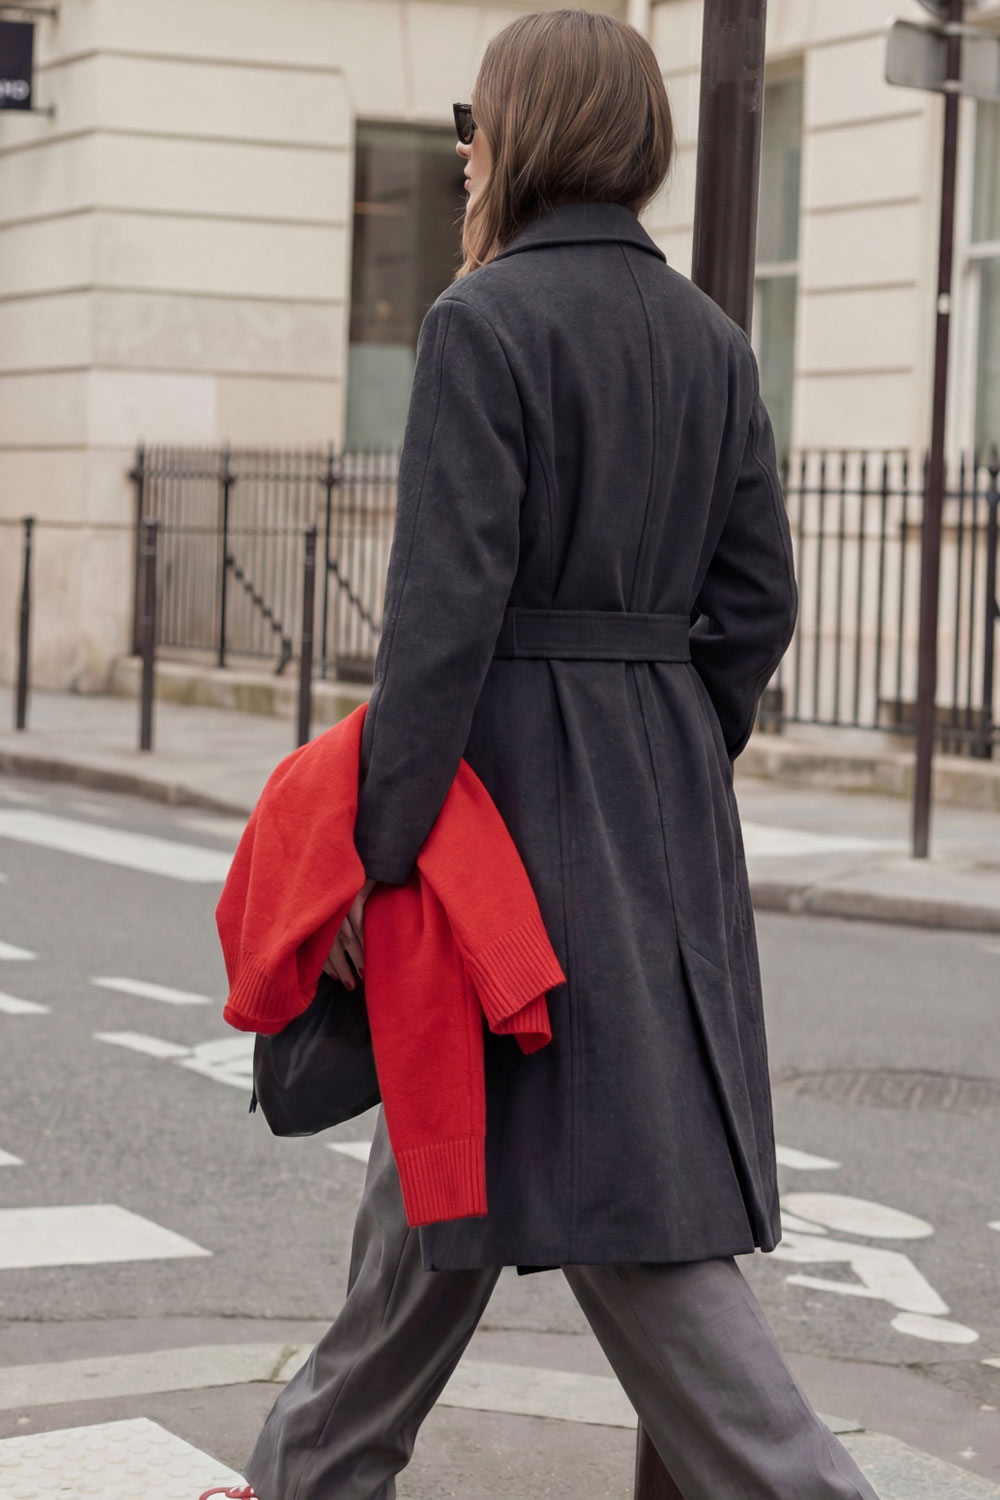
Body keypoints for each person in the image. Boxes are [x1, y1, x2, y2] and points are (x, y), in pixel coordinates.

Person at [209, 10, 881, 1499]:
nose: (464, 149)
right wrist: (668, 741)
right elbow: (756, 603)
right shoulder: (713, 340)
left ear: (524, 130)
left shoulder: (482, 324)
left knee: (627, 1218)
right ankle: (305, 1479)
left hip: (502, 828)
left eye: (476, 121)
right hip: (654, 814)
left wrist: (380, 859)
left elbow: (440, 629)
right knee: (441, 1190)